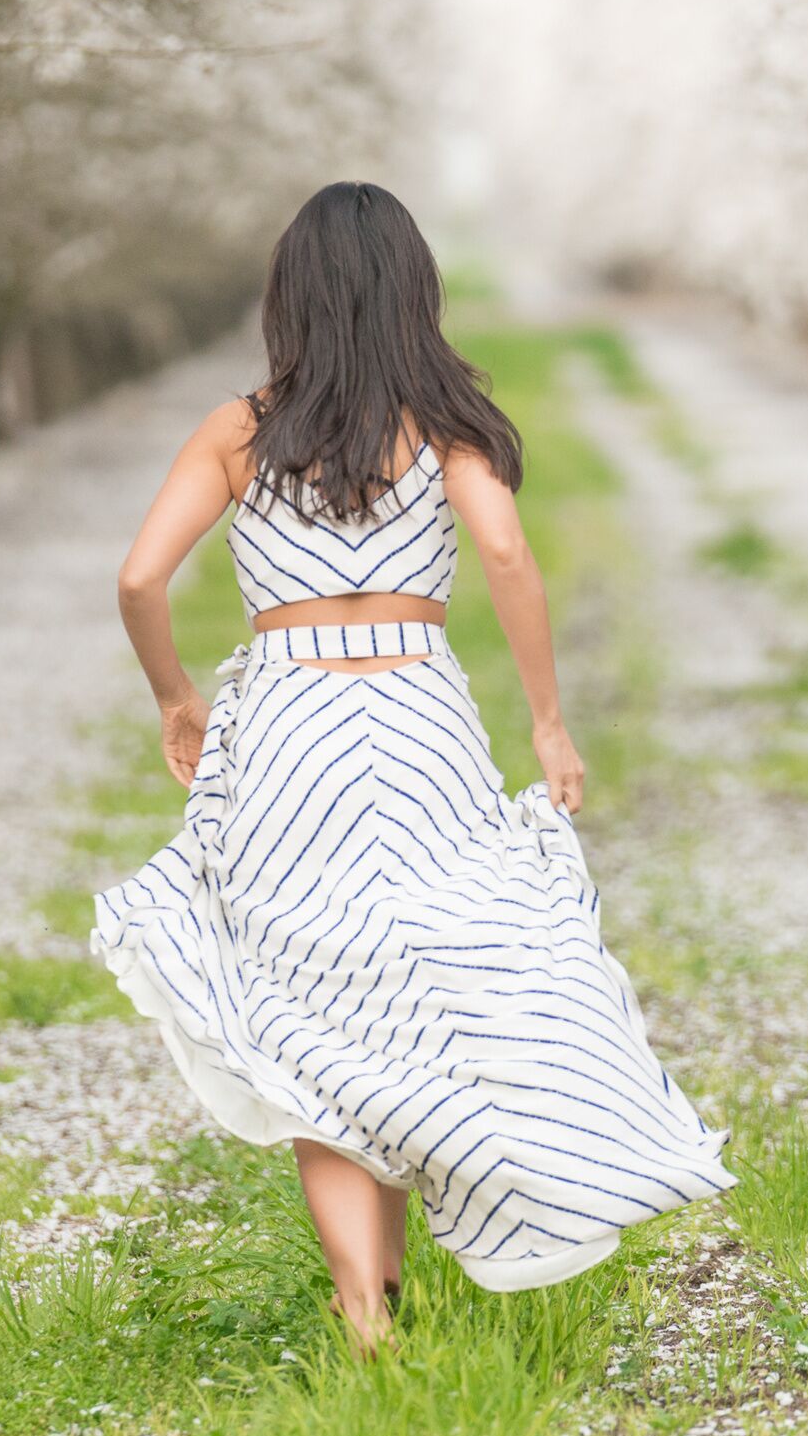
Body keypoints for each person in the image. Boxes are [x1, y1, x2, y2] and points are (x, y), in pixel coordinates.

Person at [91, 182, 731, 1352]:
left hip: (287, 729)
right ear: (412, 293)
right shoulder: (448, 425)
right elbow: (502, 549)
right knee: (451, 965)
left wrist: (176, 696)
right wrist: (546, 720)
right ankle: (526, 1172)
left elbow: (139, 577)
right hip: (419, 722)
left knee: (310, 1009)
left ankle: (363, 1311)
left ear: (290, 296)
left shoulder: (240, 431)